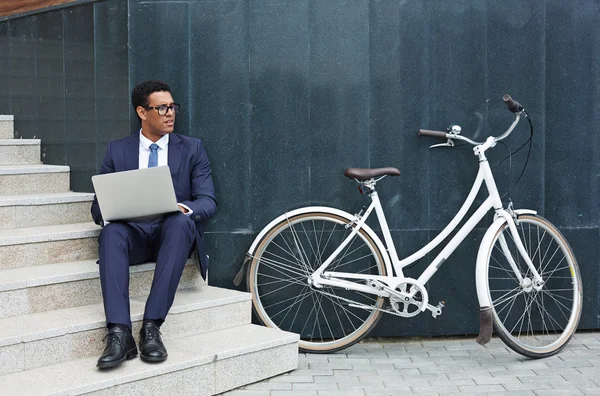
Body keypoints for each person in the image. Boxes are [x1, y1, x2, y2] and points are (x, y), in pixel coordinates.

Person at [91, 80, 217, 369]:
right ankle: (119, 333)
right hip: (133, 235)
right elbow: (98, 208)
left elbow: (208, 201)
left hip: (170, 237)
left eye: (173, 106)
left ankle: (151, 328)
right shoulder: (116, 151)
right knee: (111, 233)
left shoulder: (192, 149)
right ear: (142, 112)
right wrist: (112, 210)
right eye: (162, 108)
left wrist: (183, 208)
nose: (170, 113)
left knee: (180, 223)